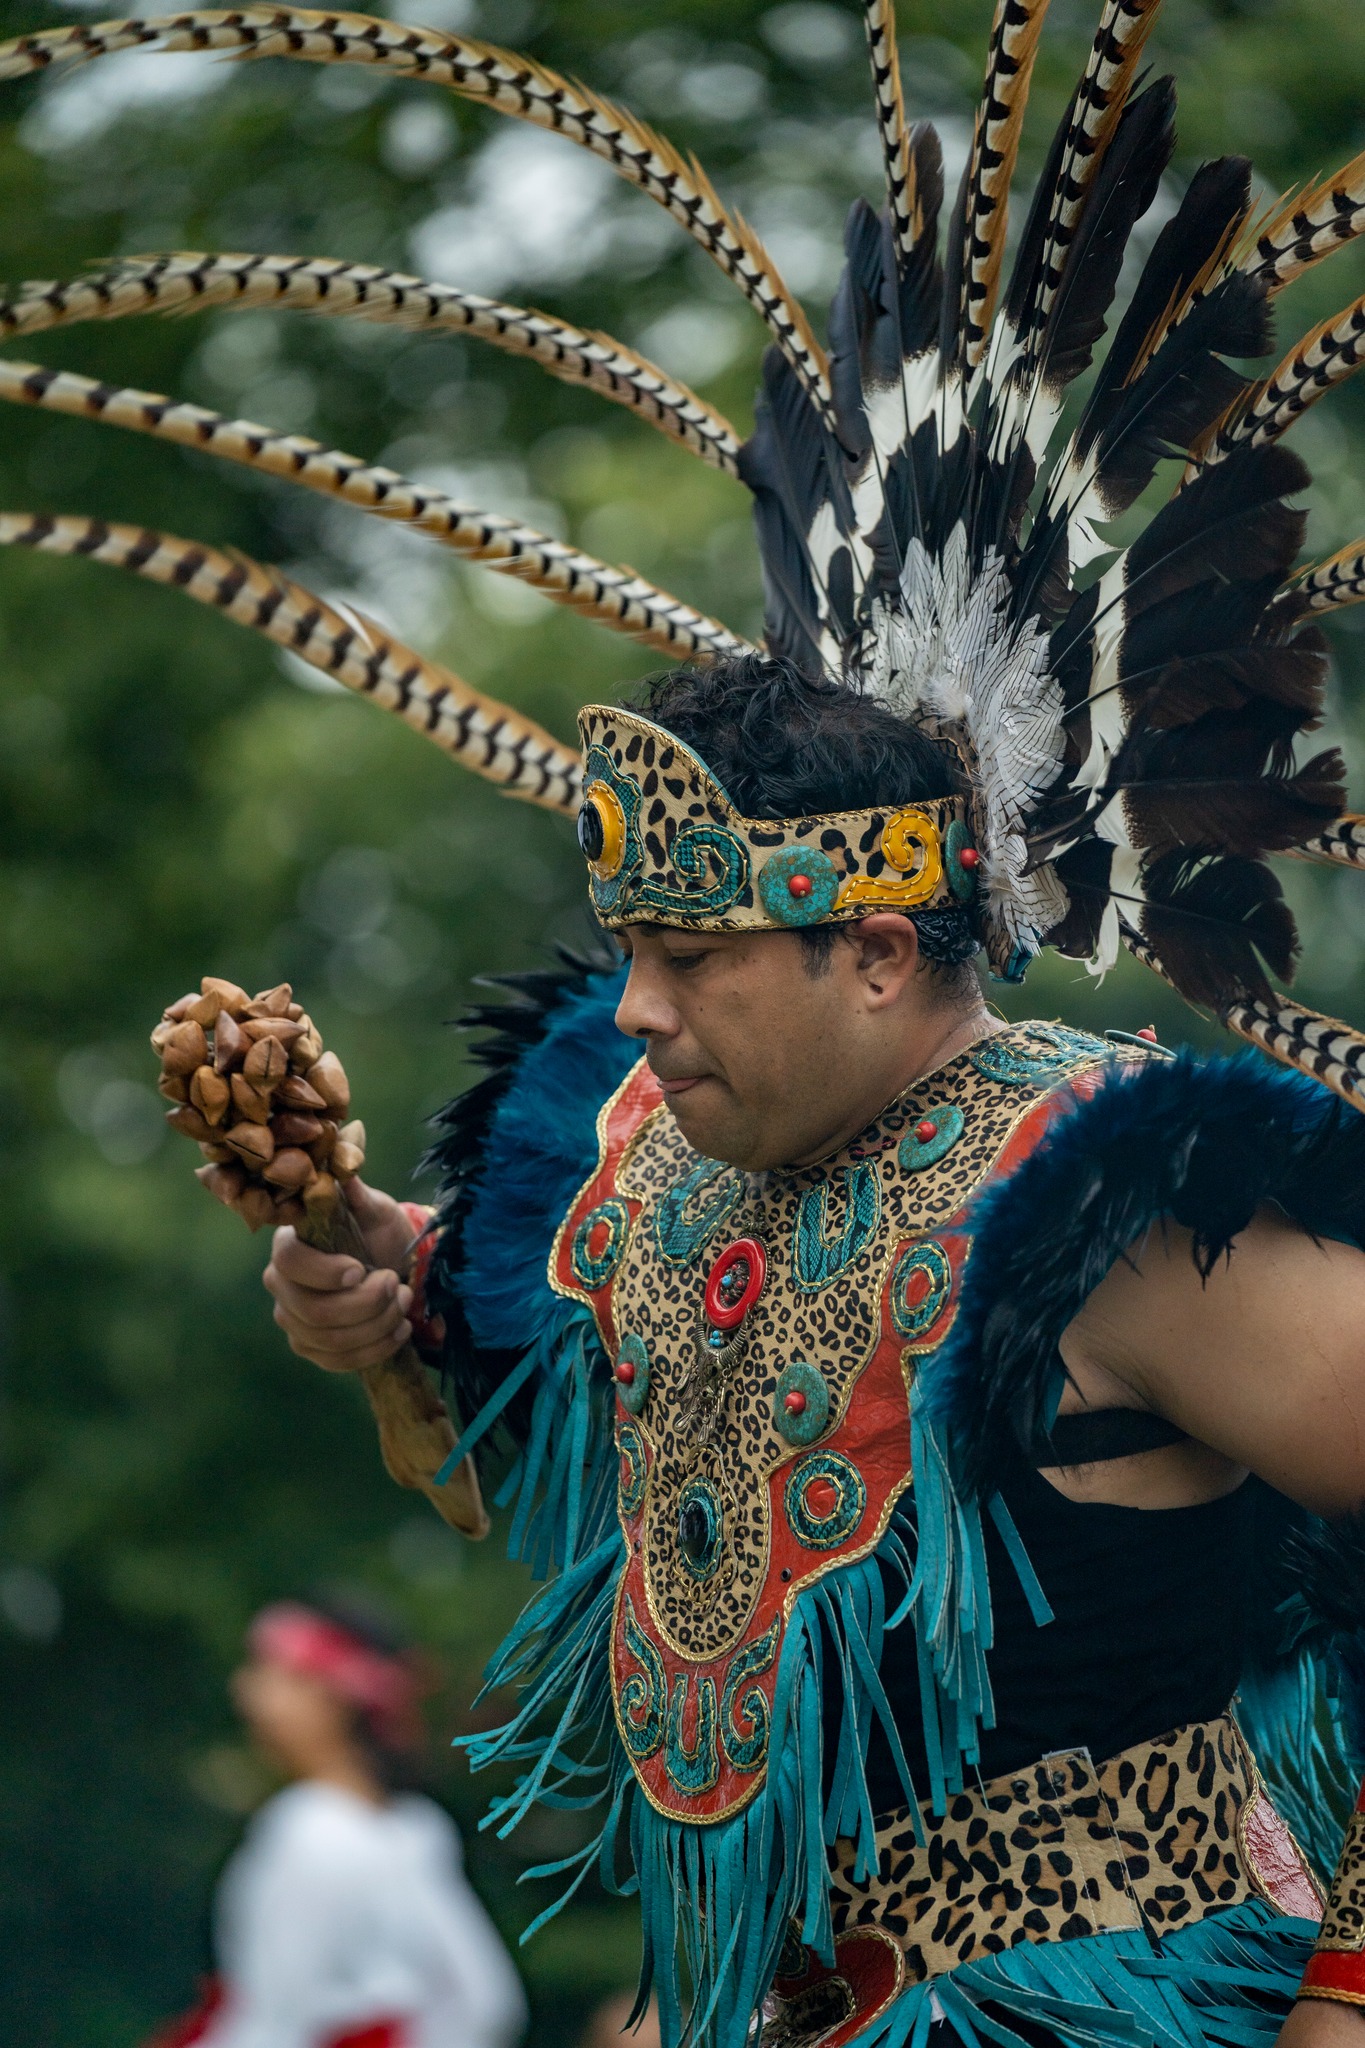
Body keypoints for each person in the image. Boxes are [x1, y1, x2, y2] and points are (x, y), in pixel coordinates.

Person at [10, 4, 1365, 2048]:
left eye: (694, 956)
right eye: (625, 947)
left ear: (878, 954)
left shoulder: (1114, 1206)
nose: (634, 1007)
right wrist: (383, 1289)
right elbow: (566, 1460)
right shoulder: (638, 1170)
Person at [151, 1598, 527, 2048]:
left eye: (269, 1671)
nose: (244, 1690)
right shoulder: (413, 1829)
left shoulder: (313, 1829)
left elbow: (275, 2021)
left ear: (330, 1694)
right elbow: (487, 2005)